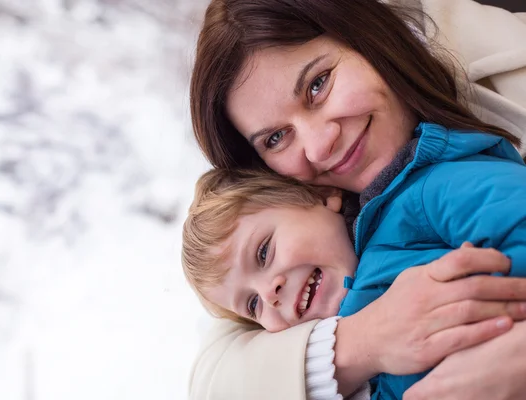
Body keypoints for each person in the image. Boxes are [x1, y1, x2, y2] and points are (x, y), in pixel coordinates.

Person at [188, 0, 526, 399]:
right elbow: (218, 383)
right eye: (276, 138)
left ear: (366, 38)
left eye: (318, 84)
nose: (319, 145)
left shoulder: (429, 189)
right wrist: (363, 342)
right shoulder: (331, 259)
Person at [182, 120, 526, 398]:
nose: (269, 294)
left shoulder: (417, 197)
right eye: (253, 304)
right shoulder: (359, 377)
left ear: (320, 195)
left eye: (263, 252)